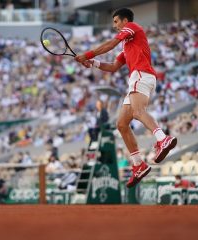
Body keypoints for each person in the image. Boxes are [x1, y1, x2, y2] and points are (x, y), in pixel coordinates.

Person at [75, 8, 177, 188]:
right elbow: (114, 66)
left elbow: (109, 45)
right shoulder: (128, 44)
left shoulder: (132, 27)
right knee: (121, 124)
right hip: (139, 77)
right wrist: (94, 63)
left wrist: (87, 54)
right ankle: (139, 164)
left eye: (115, 22)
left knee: (138, 112)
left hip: (140, 75)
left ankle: (163, 139)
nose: (114, 26)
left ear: (124, 20)